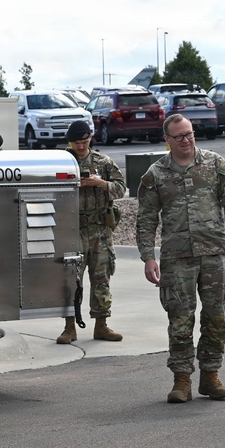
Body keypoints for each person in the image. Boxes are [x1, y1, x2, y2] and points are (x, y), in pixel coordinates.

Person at [136, 114, 225, 403]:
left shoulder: (215, 164)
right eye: (179, 136)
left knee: (216, 318)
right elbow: (146, 219)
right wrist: (148, 257)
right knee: (180, 321)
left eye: (189, 134)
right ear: (167, 140)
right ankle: (182, 380)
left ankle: (210, 376)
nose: (186, 140)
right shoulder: (155, 174)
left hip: (214, 253)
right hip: (177, 258)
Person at [56, 119, 127, 344]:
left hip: (100, 230)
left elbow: (121, 189)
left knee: (101, 278)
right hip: (73, 229)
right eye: (76, 143)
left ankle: (101, 325)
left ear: (90, 139)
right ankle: (69, 327)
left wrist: (101, 183)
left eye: (84, 142)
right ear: (70, 142)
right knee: (70, 280)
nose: (80, 146)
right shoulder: (62, 161)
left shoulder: (103, 162)